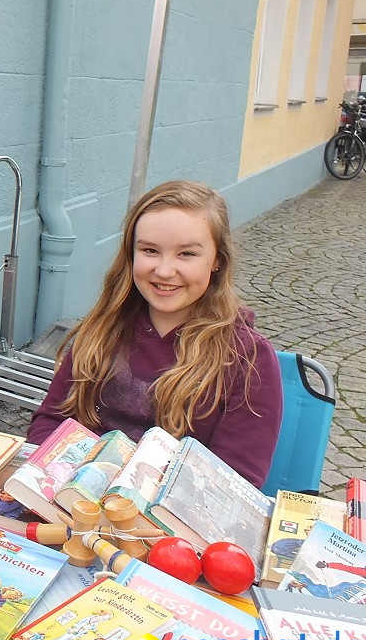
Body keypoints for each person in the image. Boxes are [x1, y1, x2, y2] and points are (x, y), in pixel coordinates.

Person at [27, 180, 283, 488]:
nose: (164, 270)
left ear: (217, 259)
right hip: (73, 502)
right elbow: (51, 421)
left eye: (186, 254)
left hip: (170, 524)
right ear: (131, 255)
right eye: (150, 250)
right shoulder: (102, 330)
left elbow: (233, 482)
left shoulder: (247, 358)